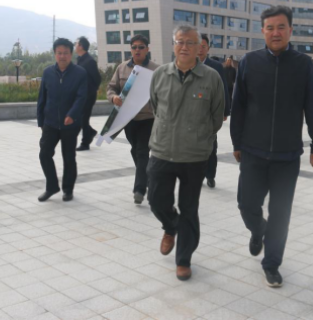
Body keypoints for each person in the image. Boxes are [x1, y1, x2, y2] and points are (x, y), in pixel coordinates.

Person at [231, 6, 313, 288]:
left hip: (287, 155)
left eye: (281, 27)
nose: (275, 33)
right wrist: (237, 142)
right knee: (246, 204)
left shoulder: (303, 64)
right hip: (253, 151)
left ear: (290, 30)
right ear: (262, 31)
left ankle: (271, 264)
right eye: (270, 28)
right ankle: (258, 229)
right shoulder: (249, 62)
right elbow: (239, 105)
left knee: (281, 214)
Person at [148, 25, 225, 281]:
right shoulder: (160, 74)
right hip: (162, 151)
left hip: (195, 156)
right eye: (180, 41)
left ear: (199, 47)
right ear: (173, 45)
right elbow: (156, 107)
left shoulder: (211, 77)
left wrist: (198, 137)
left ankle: (184, 260)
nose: (184, 47)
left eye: (190, 43)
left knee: (189, 208)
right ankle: (171, 226)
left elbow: (216, 117)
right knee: (156, 200)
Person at [106, 34, 159, 205]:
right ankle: (148, 177)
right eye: (134, 47)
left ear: (147, 49)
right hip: (127, 119)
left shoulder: (156, 70)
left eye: (141, 47)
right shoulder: (121, 68)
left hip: (148, 118)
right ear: (130, 49)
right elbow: (111, 88)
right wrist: (114, 98)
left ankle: (139, 190)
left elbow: (162, 92)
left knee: (142, 151)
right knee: (135, 150)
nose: (137, 50)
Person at [37, 38, 88, 202]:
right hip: (50, 123)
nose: (62, 56)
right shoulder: (47, 72)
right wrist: (41, 121)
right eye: (59, 53)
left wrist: (72, 115)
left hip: (71, 124)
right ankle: (51, 186)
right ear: (54, 54)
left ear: (71, 54)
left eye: (65, 53)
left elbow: (81, 97)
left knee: (69, 157)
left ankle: (68, 189)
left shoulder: (80, 73)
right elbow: (42, 98)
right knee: (44, 154)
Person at [198, 34, 230, 189]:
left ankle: (210, 175)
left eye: (203, 46)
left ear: (208, 48)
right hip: (191, 113)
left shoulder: (216, 66)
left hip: (210, 113)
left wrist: (225, 111)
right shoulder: (187, 64)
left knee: (211, 146)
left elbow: (223, 88)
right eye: (197, 46)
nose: (200, 49)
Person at [75, 36, 102, 151]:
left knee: (83, 118)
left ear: (81, 46)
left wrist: (91, 90)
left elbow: (97, 78)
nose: (75, 46)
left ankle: (85, 143)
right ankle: (90, 132)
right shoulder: (79, 60)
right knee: (80, 118)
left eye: (76, 44)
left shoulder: (89, 61)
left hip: (88, 95)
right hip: (80, 95)